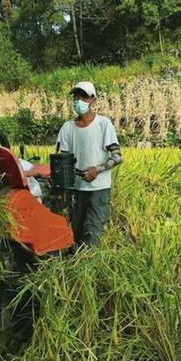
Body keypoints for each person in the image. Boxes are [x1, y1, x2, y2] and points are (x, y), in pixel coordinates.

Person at [56, 81, 123, 247]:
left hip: (98, 189)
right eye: (76, 96)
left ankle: (90, 268)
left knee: (92, 233)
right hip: (76, 190)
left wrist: (97, 170)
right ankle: (78, 264)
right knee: (76, 233)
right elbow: (62, 160)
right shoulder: (67, 128)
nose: (79, 100)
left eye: (84, 97)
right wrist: (63, 191)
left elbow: (117, 156)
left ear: (93, 100)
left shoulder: (103, 124)